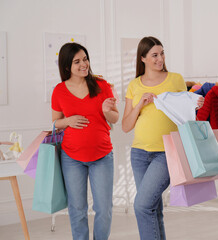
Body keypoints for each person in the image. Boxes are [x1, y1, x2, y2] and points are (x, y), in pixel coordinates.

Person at [122, 36, 203, 240]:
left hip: (167, 152)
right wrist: (140, 104)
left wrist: (196, 104)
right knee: (152, 209)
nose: (160, 59)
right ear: (143, 59)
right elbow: (125, 126)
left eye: (162, 53)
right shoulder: (134, 85)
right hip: (139, 154)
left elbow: (185, 112)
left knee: (141, 206)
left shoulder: (175, 79)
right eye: (154, 55)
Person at [51, 42, 119, 240]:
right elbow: (55, 123)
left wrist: (107, 111)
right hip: (71, 157)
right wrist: (69, 120)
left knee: (104, 208)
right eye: (77, 61)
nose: (84, 64)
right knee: (77, 209)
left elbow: (115, 118)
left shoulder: (102, 86)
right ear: (67, 66)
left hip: (102, 155)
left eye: (85, 59)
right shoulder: (59, 91)